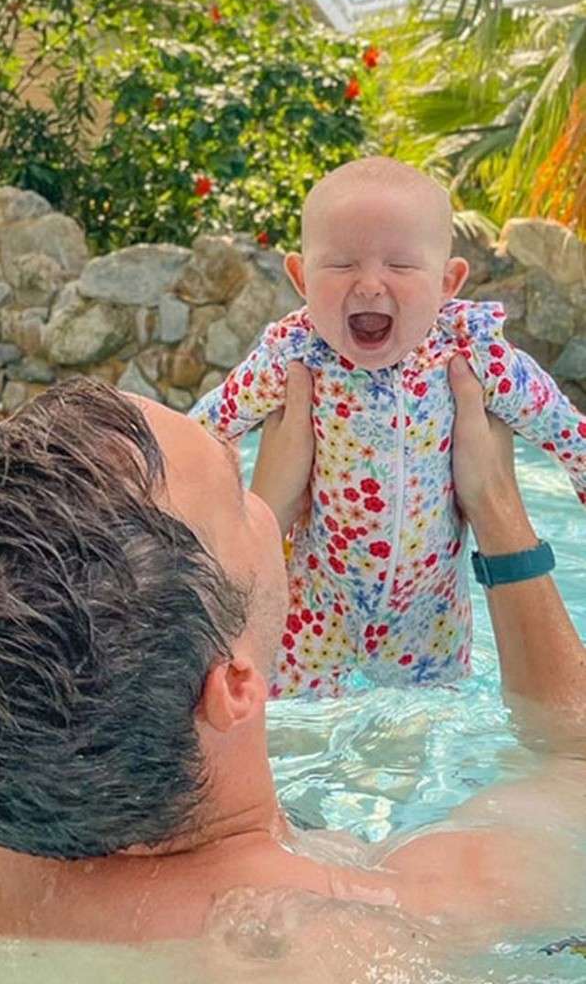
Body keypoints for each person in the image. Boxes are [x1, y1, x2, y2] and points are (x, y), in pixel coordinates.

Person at [0, 360, 584, 964]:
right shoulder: (350, 928)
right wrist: (496, 508)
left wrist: (235, 564)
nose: (260, 498)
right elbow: (575, 757)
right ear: (235, 685)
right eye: (240, 495)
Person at [193, 157, 586, 697]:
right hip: (313, 621)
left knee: (420, 745)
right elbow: (209, 428)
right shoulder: (294, 356)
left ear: (447, 282)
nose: (371, 284)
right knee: (297, 734)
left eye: (400, 266)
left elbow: (562, 428)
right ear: (300, 277)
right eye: (340, 265)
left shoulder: (472, 355)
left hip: (429, 628)